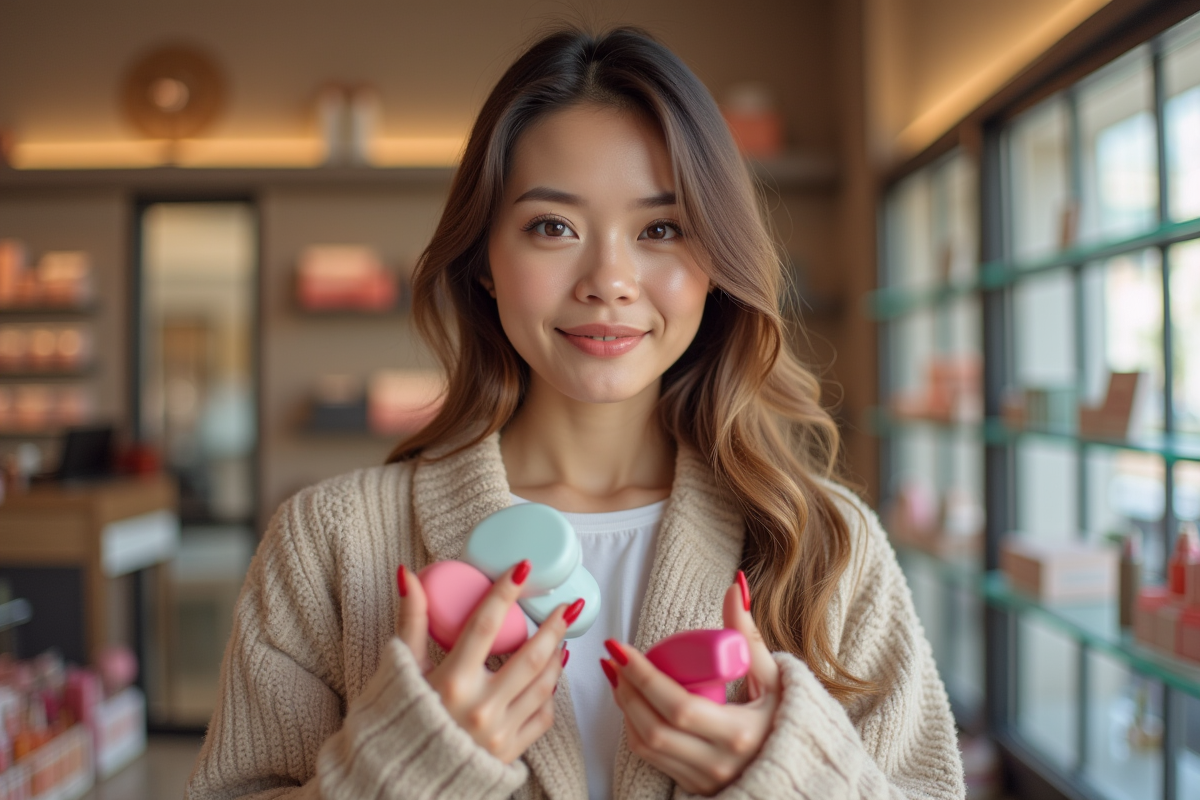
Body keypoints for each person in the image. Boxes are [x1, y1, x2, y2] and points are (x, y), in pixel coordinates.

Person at [186, 26, 965, 800]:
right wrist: (398, 775)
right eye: (552, 227)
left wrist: (795, 782)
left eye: (662, 229)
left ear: (715, 266)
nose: (609, 280)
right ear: (484, 262)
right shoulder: (328, 543)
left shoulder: (826, 542)